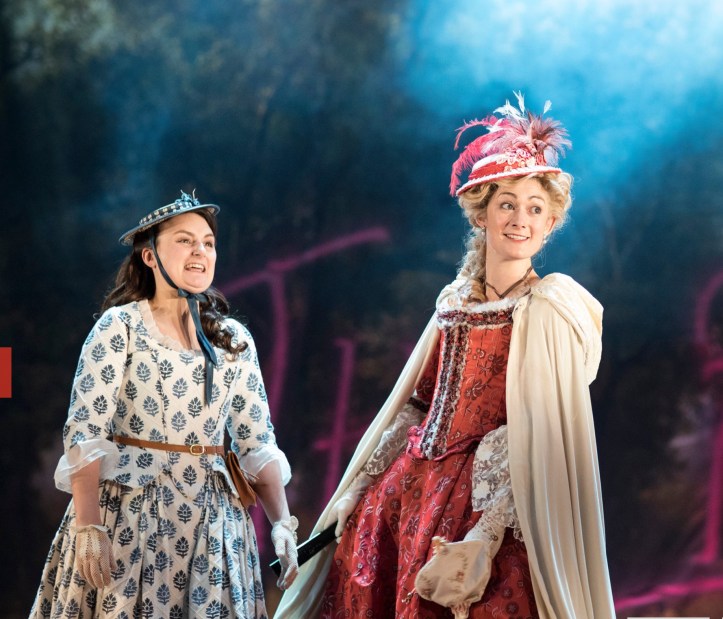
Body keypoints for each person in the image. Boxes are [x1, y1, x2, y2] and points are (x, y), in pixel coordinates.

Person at [275, 94, 615, 618]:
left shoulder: (549, 307)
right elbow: (418, 402)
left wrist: (489, 526)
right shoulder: (453, 303)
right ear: (481, 214)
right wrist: (359, 487)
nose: (520, 219)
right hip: (407, 490)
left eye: (535, 208)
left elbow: (542, 435)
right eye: (507, 204)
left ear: (550, 224)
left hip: (489, 500)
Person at [30, 191, 298, 618]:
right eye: (184, 240)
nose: (200, 251)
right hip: (132, 516)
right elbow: (85, 432)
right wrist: (89, 526)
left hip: (213, 524)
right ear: (149, 256)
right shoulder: (121, 326)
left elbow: (256, 441)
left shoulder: (233, 340)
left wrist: (282, 522)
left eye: (208, 243)